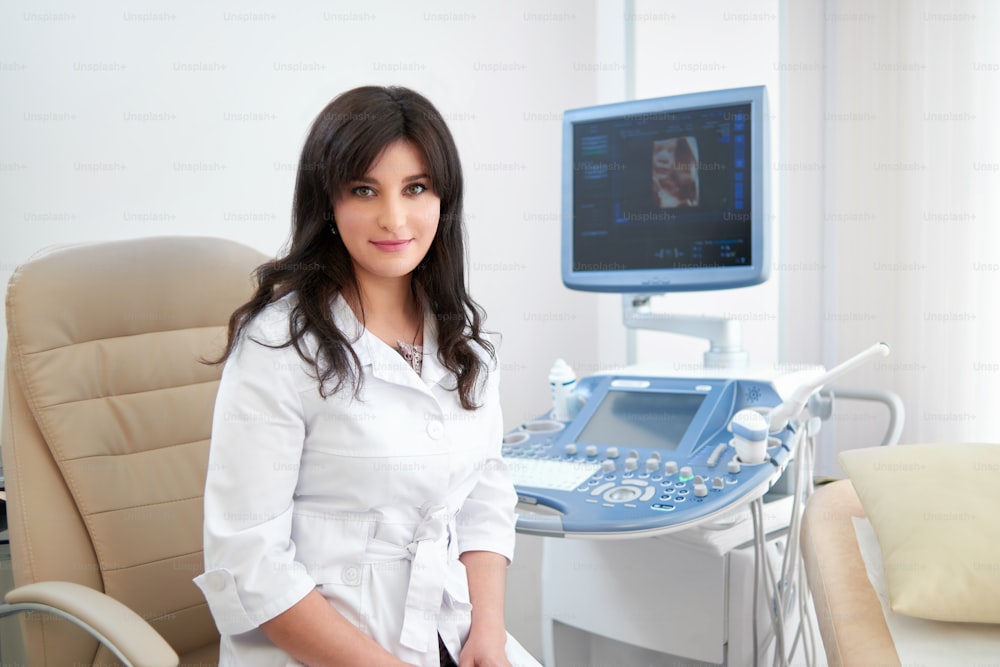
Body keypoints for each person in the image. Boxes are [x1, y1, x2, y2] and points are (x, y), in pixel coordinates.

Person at [194, 86, 539, 667]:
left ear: (442, 200)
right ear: (327, 202)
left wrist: (489, 636)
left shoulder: (462, 341)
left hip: (451, 629)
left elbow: (484, 499)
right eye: (364, 190)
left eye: (416, 188)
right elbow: (250, 563)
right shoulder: (277, 347)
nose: (394, 218)